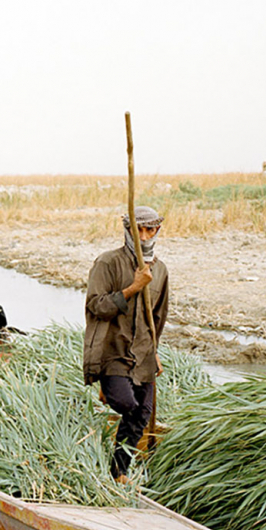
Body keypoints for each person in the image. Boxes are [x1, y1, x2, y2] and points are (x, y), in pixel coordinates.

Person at [83, 206, 168, 483]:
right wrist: (132, 288)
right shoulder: (107, 263)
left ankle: (119, 471)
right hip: (113, 352)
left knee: (142, 415)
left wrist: (154, 352)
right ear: (128, 230)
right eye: (139, 229)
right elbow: (96, 306)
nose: (144, 236)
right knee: (127, 405)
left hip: (142, 353)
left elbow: (158, 316)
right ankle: (109, 389)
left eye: (150, 229)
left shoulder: (161, 270)